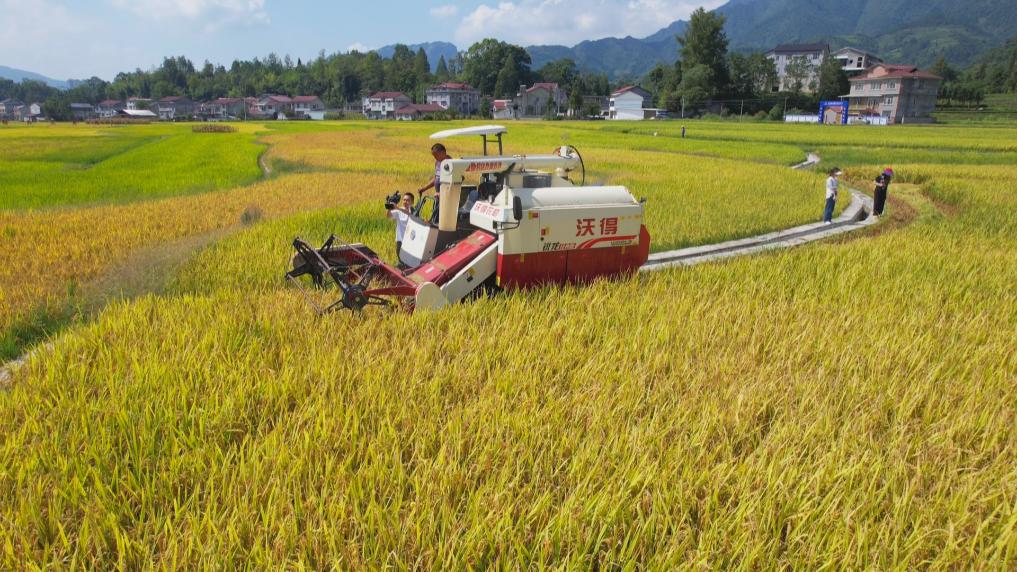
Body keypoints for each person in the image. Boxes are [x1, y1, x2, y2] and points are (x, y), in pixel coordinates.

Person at [387, 192, 415, 260]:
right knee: (400, 259)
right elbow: (389, 216)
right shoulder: (398, 210)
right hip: (400, 240)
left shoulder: (414, 211)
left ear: (412, 202)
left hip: (410, 241)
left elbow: (411, 215)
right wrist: (389, 206)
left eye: (408, 200)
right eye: (404, 200)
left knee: (409, 261)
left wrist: (397, 208)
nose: (405, 202)